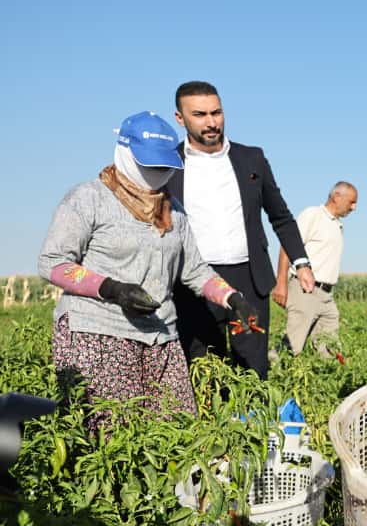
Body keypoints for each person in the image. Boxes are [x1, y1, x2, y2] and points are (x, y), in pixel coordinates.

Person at [37, 112, 259, 430]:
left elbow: (195, 269)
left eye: (164, 166)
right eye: (150, 164)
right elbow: (53, 262)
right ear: (125, 153)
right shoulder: (89, 198)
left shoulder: (175, 211)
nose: (157, 173)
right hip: (99, 331)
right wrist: (111, 288)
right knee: (111, 435)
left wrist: (232, 298)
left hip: (161, 335)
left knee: (177, 431)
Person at [163, 81, 314, 380]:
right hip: (194, 283)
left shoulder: (251, 159)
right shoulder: (169, 164)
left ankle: (253, 426)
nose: (211, 122)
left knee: (254, 370)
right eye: (200, 114)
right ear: (180, 118)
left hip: (249, 278)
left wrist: (301, 261)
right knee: (202, 370)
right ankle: (210, 427)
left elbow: (281, 216)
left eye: (216, 113)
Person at [271, 181, 358, 356]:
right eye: (352, 202)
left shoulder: (336, 224)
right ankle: (269, 374)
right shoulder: (313, 215)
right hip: (306, 290)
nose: (354, 207)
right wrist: (281, 283)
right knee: (292, 346)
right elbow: (287, 246)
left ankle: (321, 378)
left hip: (327, 295)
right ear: (336, 196)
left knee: (328, 346)